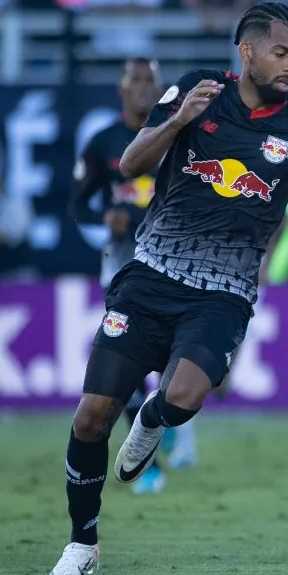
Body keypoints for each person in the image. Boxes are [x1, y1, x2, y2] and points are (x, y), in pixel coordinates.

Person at [48, 2, 288, 575]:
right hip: (150, 276)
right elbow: (132, 165)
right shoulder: (196, 92)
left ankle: (154, 421)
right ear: (247, 53)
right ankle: (81, 544)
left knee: (183, 398)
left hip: (225, 293)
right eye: (281, 53)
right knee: (90, 419)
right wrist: (178, 118)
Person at [71, 56, 196, 495]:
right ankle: (152, 459)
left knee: (175, 350)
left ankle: (171, 417)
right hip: (123, 263)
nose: (143, 89)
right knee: (123, 359)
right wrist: (106, 216)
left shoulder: (179, 136)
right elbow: (78, 202)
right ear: (122, 89)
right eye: (136, 81)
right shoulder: (104, 141)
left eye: (151, 82)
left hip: (173, 260)